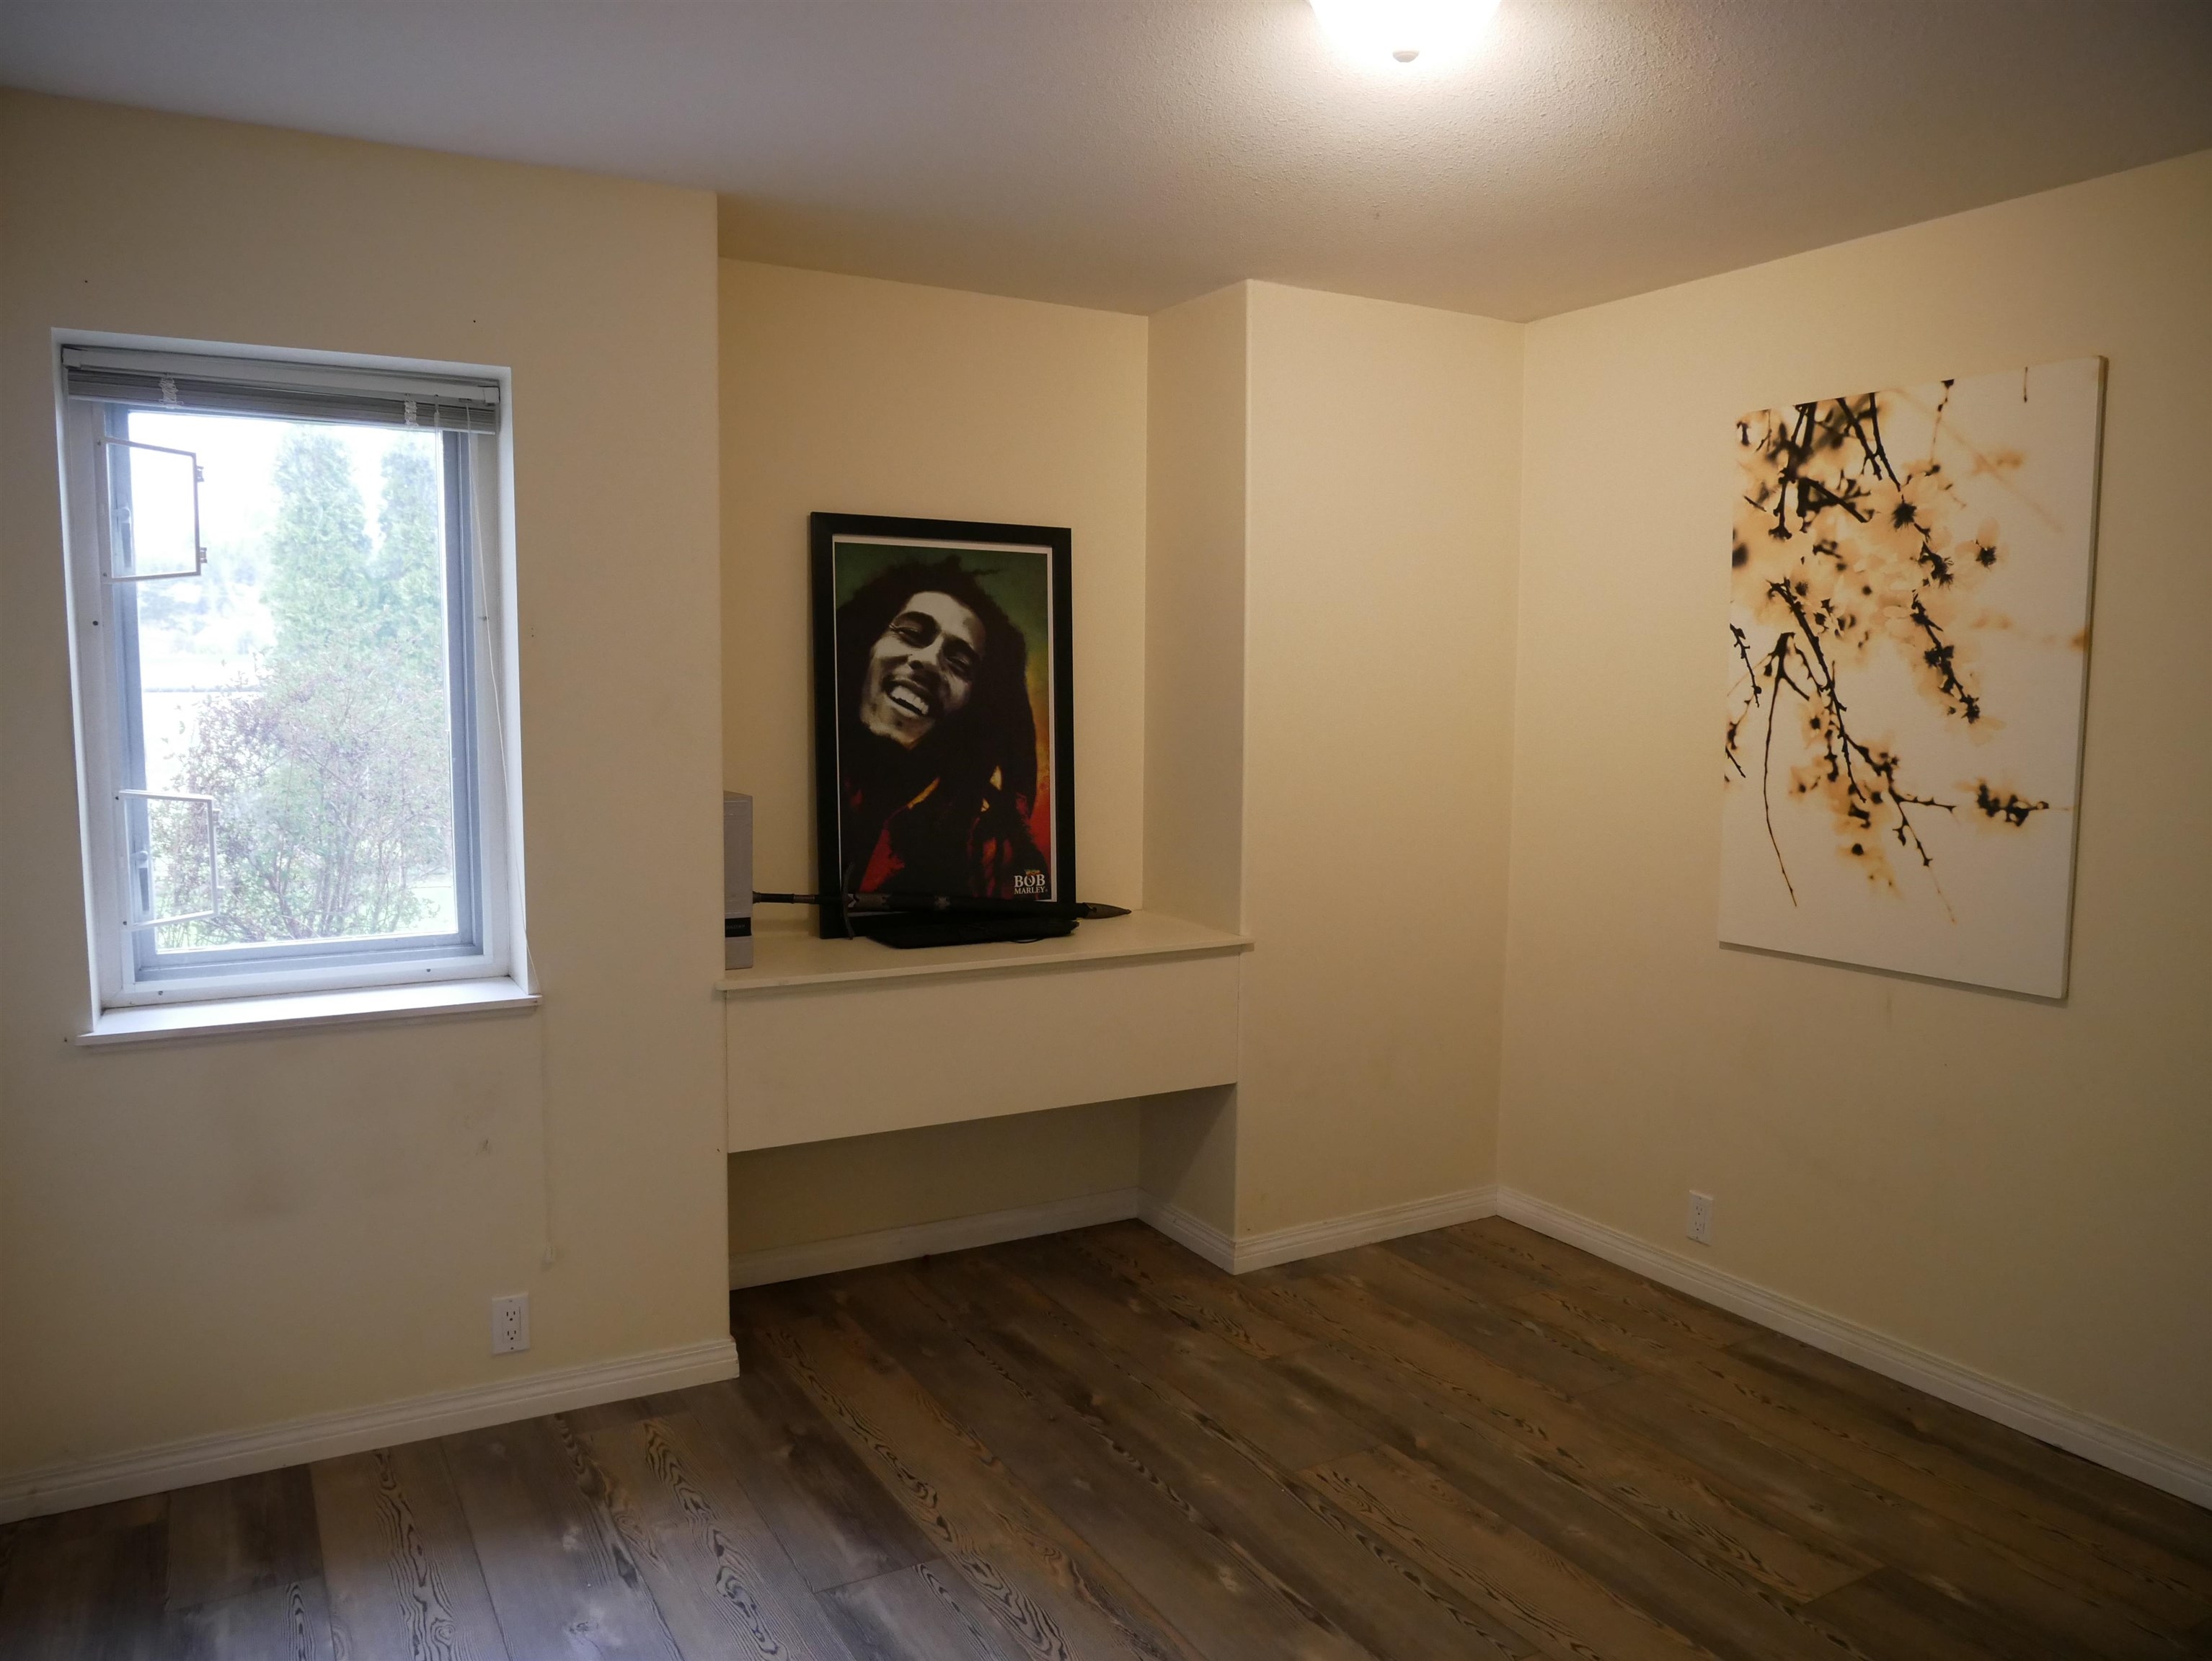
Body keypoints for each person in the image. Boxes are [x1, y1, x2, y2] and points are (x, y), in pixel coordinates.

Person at [833, 555, 1050, 901]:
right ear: (865, 645)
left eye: (960, 663)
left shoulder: (989, 842)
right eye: (911, 634)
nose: (929, 661)